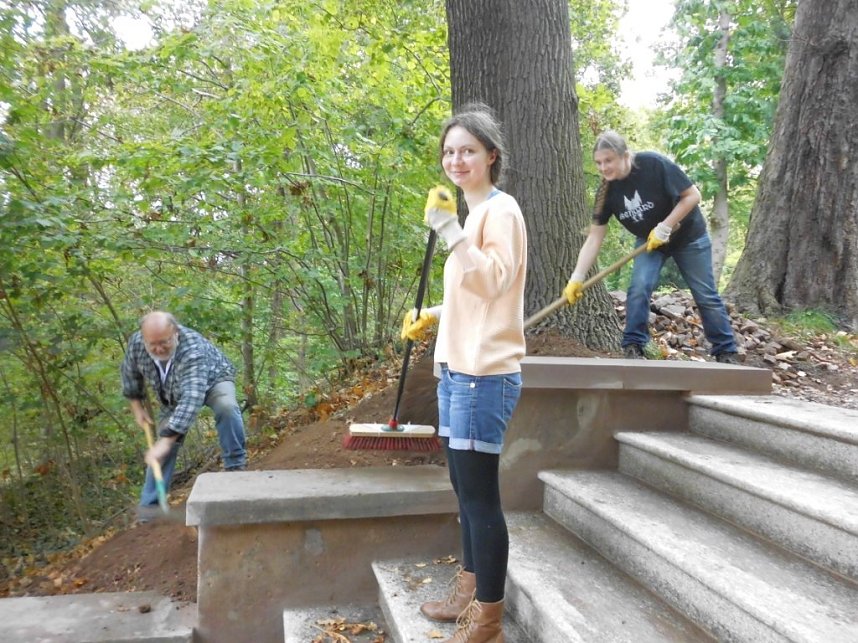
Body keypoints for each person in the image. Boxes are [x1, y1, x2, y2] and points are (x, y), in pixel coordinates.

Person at [402, 103, 526, 642]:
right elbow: (472, 296)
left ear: (491, 155)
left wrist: (450, 230)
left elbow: (495, 281)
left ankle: (489, 619)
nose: (456, 160)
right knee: (462, 487)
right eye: (450, 151)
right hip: (458, 369)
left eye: (468, 151)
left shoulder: (500, 212)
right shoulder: (475, 217)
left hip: (485, 374)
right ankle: (470, 589)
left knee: (480, 498)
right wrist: (429, 315)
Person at [563, 130, 739, 363]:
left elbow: (692, 195)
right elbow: (595, 237)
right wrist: (577, 277)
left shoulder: (653, 164)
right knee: (639, 287)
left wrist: (665, 226)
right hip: (651, 242)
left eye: (608, 161)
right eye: (598, 163)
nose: (603, 168)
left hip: (688, 237)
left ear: (625, 156)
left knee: (705, 294)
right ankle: (634, 346)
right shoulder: (606, 192)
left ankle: (726, 351)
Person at [121, 311, 247, 521]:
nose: (158, 349)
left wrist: (166, 440)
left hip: (214, 379)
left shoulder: (193, 349)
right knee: (163, 444)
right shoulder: (137, 344)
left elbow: (192, 398)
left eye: (164, 342)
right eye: (152, 344)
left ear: (176, 333)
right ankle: (150, 508)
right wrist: (137, 407)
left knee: (226, 406)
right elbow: (129, 373)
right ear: (144, 338)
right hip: (172, 393)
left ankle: (235, 466)